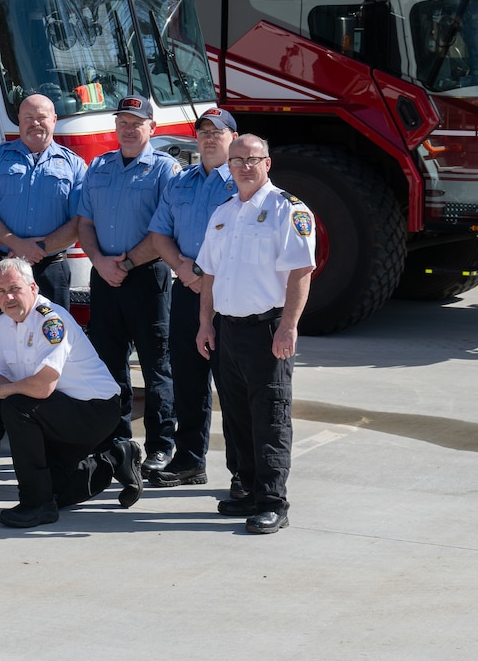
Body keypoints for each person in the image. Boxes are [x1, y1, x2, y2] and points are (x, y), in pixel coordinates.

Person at [194, 135, 317, 535]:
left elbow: (301, 271)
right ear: (228, 166)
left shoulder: (287, 210)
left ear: (268, 163)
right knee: (235, 416)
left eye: (252, 159)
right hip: (227, 330)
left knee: (270, 417)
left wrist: (288, 326)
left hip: (267, 329)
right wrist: (206, 322)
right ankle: (246, 487)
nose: (244, 166)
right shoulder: (224, 212)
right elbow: (209, 273)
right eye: (237, 160)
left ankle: (271, 501)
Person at [0, 258, 142, 529]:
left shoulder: (51, 321)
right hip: (58, 410)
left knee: (16, 406)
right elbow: (1, 373)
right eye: (1, 292)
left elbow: (42, 386)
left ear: (33, 287)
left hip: (94, 410)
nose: (8, 297)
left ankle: (37, 505)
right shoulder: (3, 323)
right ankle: (113, 459)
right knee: (59, 489)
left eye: (15, 288)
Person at [74, 96, 180, 467]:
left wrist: (129, 262)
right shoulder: (99, 167)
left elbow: (165, 229)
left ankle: (161, 444)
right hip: (105, 277)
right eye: (123, 122)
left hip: (147, 277)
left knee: (156, 365)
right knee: (108, 364)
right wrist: (100, 262)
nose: (129, 129)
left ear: (152, 128)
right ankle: (116, 440)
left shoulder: (166, 170)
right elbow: (84, 223)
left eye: (137, 123)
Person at [135, 108, 238, 489]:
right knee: (189, 381)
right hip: (186, 290)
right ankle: (190, 461)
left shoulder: (241, 182)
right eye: (203, 131)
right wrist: (181, 267)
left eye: (218, 131)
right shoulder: (181, 183)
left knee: (232, 386)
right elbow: (160, 233)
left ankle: (243, 473)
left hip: (227, 295)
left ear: (232, 138)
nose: (209, 137)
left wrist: (203, 275)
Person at [0, 92, 86, 352]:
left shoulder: (75, 166)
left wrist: (37, 249)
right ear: (19, 122)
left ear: (54, 120)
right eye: (28, 118)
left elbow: (79, 221)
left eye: (41, 117)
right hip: (2, 265)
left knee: (53, 343)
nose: (35, 123)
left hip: (50, 269)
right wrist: (16, 244)